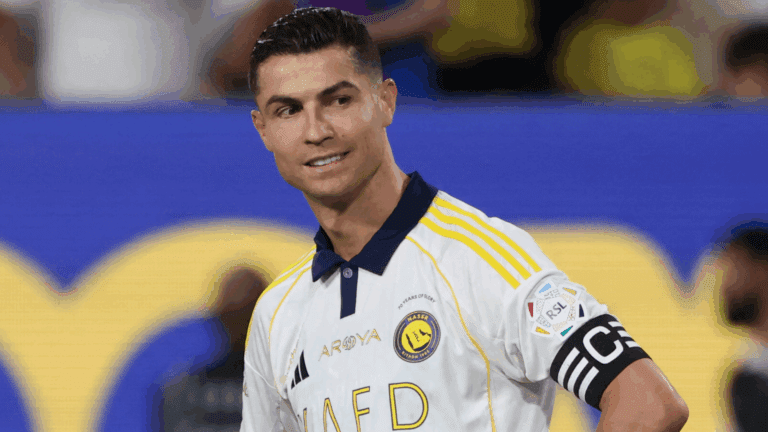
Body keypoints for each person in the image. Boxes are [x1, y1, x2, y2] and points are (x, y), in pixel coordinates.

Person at [241, 7, 689, 431]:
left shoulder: (479, 259)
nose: (316, 131)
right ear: (263, 130)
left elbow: (647, 402)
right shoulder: (276, 314)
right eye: (289, 110)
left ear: (385, 101)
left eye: (338, 100)